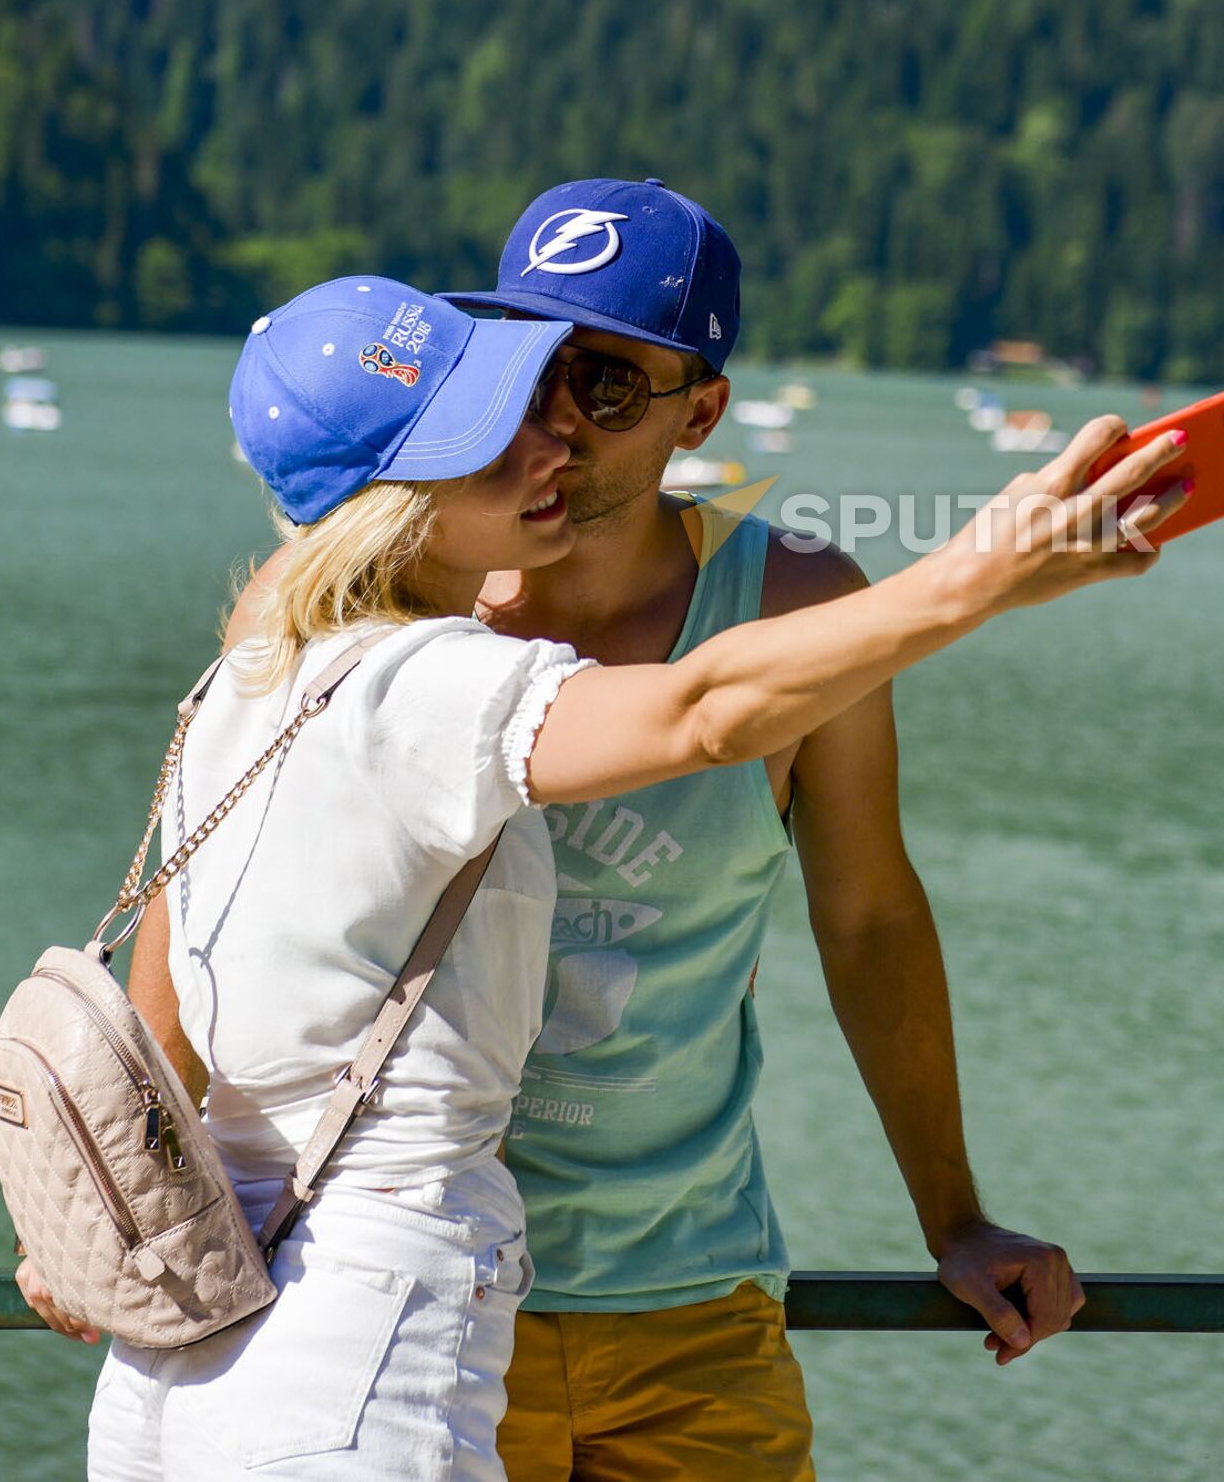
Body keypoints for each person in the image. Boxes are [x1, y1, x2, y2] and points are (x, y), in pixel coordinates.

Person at [16, 272, 1191, 1482]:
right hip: (367, 1340)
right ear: (395, 498)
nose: (552, 441)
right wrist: (984, 572)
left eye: (581, 395)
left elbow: (194, 918)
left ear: (703, 411)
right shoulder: (424, 687)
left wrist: (110, 1204)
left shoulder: (266, 663)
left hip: (233, 1321)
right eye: (499, 428)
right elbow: (704, 707)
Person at [455, 178, 1091, 1478]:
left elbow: (867, 914)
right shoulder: (410, 592)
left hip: (691, 1302)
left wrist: (954, 1219)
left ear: (703, 411)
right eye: (529, 373)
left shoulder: (791, 603)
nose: (556, 423)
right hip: (428, 1298)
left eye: (608, 387)